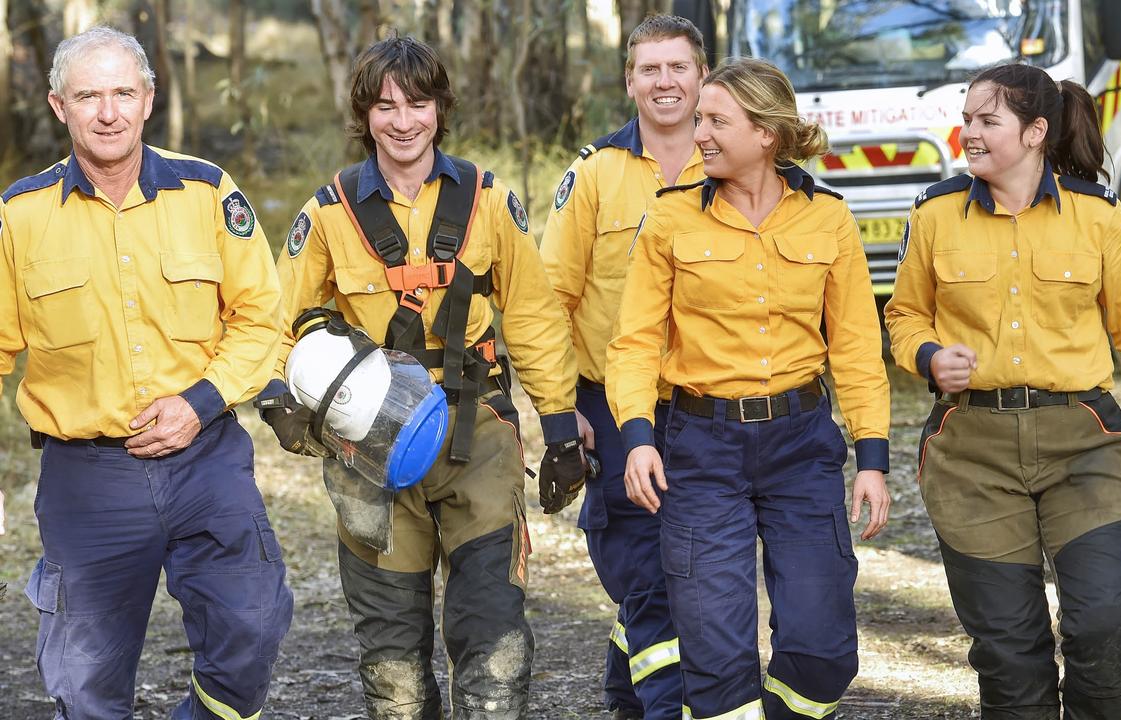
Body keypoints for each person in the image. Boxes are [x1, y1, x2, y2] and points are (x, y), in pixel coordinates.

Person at [256, 35, 585, 720]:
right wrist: (275, 394)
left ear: (441, 108)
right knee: (393, 663)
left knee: (493, 641)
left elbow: (533, 316)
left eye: (418, 103)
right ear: (363, 114)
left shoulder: (488, 202)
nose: (402, 121)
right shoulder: (328, 214)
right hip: (364, 446)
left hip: (478, 437)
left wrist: (560, 429)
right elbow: (273, 316)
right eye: (385, 106)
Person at [884, 62, 1121, 719]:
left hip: (1084, 445)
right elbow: (903, 315)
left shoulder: (1097, 217)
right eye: (966, 118)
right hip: (971, 454)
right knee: (1008, 652)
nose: (967, 132)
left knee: (1110, 620)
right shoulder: (935, 213)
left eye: (986, 121)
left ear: (1034, 133)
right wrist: (929, 356)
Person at [0, 26, 292, 720]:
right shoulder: (19, 217)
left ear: (149, 100)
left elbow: (261, 320)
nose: (108, 112)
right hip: (87, 478)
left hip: (206, 458)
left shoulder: (208, 192)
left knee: (251, 630)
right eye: (89, 95)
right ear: (57, 106)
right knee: (85, 685)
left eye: (123, 92)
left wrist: (200, 401)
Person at [607, 57, 892, 720]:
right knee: (716, 654)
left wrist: (872, 459)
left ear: (766, 133)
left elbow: (854, 350)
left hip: (801, 446)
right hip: (699, 449)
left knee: (823, 651)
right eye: (700, 117)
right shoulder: (671, 220)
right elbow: (634, 344)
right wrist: (638, 440)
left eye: (714, 120)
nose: (697, 131)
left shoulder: (830, 219)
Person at [539, 13, 707, 719]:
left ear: (702, 75)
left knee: (686, 570)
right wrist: (559, 407)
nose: (664, 82)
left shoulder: (732, 163)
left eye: (678, 68)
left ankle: (625, 694)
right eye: (650, 69)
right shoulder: (594, 175)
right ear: (629, 80)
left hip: (705, 407)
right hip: (608, 406)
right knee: (644, 569)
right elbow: (546, 301)